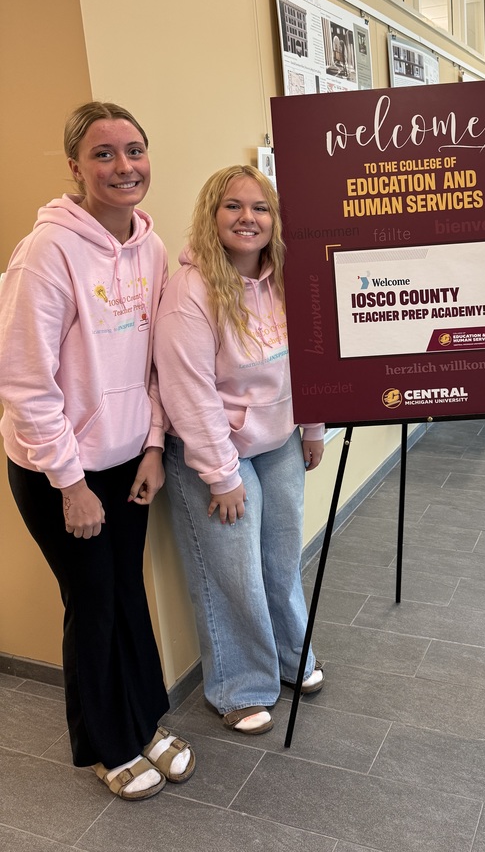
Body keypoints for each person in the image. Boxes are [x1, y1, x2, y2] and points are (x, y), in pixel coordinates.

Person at [0, 101, 195, 800]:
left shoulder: (148, 245)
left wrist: (150, 446)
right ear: (75, 168)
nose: (124, 166)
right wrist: (69, 481)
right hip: (60, 470)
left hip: (125, 460)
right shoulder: (46, 251)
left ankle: (145, 722)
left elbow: (151, 363)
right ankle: (108, 745)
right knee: (94, 603)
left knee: (125, 594)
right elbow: (23, 378)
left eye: (134, 150)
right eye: (105, 154)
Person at [154, 164, 325, 735]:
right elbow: (188, 390)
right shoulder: (191, 290)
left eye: (260, 207)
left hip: (277, 441)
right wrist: (221, 475)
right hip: (215, 452)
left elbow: (310, 357)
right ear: (211, 214)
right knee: (234, 571)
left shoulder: (284, 278)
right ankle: (239, 685)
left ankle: (288, 657)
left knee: (280, 559)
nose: (248, 218)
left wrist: (313, 427)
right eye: (233, 206)